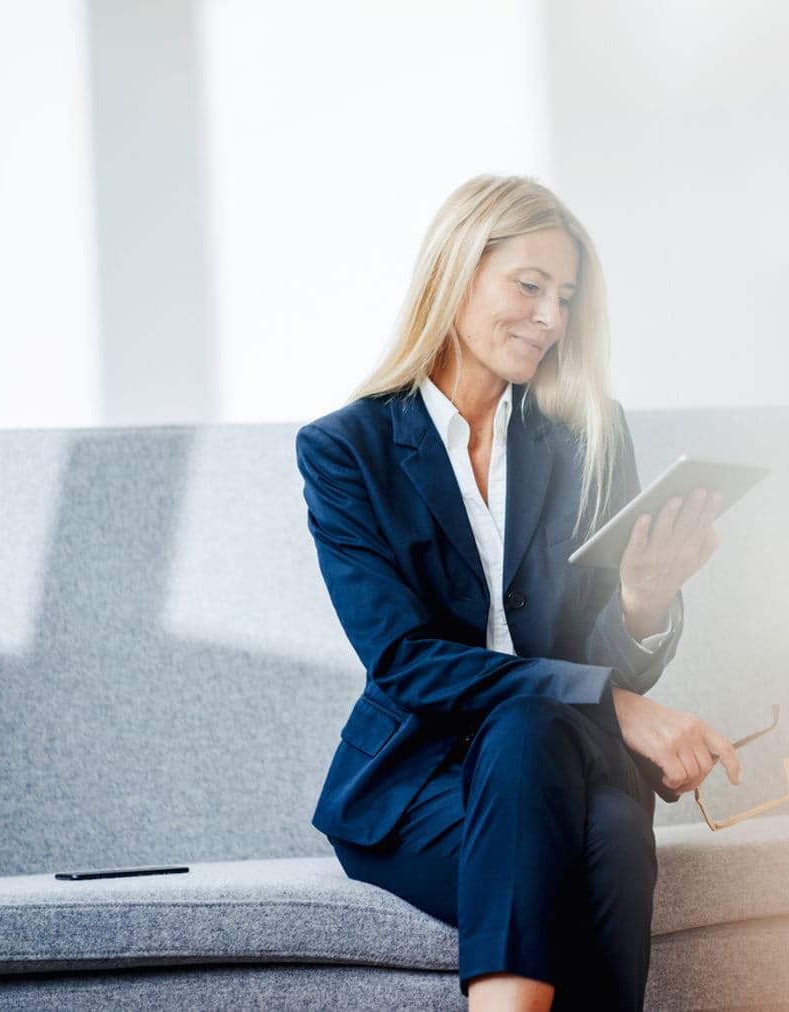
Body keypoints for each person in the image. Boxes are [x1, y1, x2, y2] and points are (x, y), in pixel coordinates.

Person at [295, 174, 743, 1012]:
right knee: (584, 810)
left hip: (568, 763)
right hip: (416, 786)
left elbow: (604, 662)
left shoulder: (587, 436)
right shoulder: (345, 451)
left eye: (565, 297)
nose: (550, 318)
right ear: (455, 274)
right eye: (528, 286)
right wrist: (612, 705)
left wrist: (644, 602)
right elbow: (405, 661)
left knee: (591, 802)